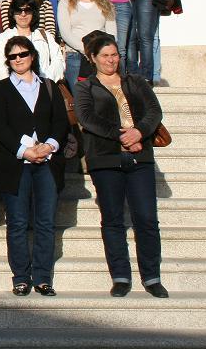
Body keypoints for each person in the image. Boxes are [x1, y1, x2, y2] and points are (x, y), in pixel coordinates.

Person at [74, 35, 167, 298]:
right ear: (93, 58)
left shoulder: (134, 81)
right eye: (104, 55)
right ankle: (121, 276)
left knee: (147, 219)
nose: (110, 60)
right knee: (113, 220)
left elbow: (153, 111)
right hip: (105, 160)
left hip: (139, 157)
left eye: (114, 54)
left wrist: (139, 132)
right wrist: (121, 135)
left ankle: (152, 276)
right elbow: (87, 118)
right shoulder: (86, 87)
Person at [0, 36, 70, 297]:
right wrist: (25, 150)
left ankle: (43, 277)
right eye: (12, 56)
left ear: (32, 56)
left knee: (45, 222)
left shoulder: (48, 86)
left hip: (47, 162)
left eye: (22, 54)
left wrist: (48, 146)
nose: (18, 59)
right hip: (16, 164)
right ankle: (21, 277)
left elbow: (60, 122)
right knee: (17, 222)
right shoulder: (0, 89)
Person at [58, 0, 117, 88]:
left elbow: (112, 34)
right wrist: (87, 50)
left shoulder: (106, 4)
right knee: (80, 101)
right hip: (76, 56)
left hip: (102, 58)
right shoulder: (65, 3)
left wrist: (100, 52)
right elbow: (65, 33)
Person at [0, 0, 65, 82]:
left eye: (27, 10)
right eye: (19, 10)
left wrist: (44, 82)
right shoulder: (3, 39)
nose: (23, 14)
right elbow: (0, 71)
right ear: (13, 14)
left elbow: (59, 61)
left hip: (46, 87)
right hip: (15, 90)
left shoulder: (45, 36)